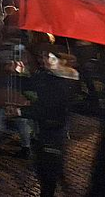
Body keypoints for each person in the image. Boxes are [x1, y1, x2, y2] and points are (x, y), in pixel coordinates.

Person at [31, 51, 79, 197]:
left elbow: (48, 106)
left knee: (47, 170)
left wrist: (23, 111)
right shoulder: (46, 75)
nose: (44, 60)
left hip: (53, 129)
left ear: (61, 61)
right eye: (44, 57)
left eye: (49, 58)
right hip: (46, 128)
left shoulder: (65, 79)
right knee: (45, 165)